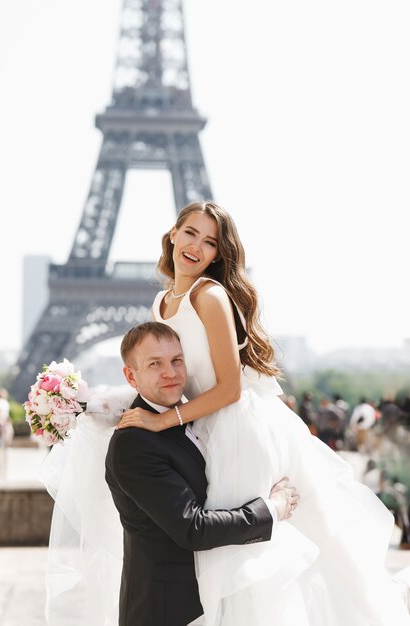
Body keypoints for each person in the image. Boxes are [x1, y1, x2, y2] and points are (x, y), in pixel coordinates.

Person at [116, 201, 410, 625]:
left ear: (218, 254)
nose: (196, 246)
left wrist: (165, 420)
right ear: (172, 234)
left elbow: (231, 388)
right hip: (201, 428)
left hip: (235, 429)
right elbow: (158, 374)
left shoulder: (210, 295)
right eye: (190, 233)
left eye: (210, 242)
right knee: (224, 566)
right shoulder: (163, 301)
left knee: (246, 567)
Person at [106, 322, 298, 626]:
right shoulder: (134, 444)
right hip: (167, 612)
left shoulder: (189, 418)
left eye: (176, 360)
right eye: (155, 363)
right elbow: (192, 528)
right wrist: (272, 509)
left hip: (210, 601)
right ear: (131, 375)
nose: (170, 372)